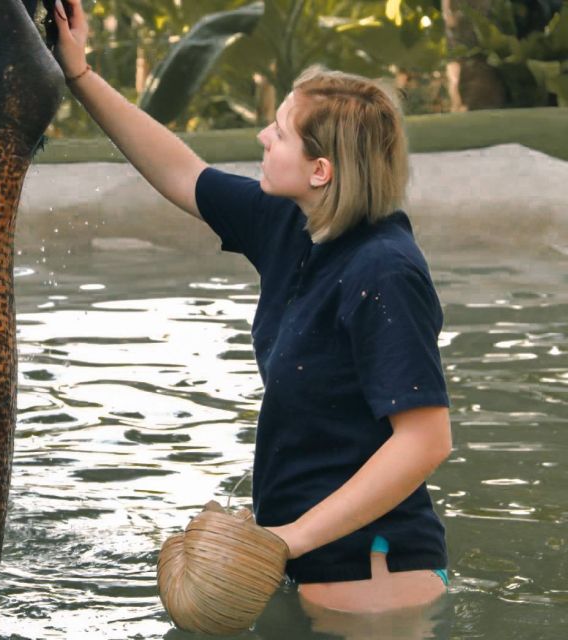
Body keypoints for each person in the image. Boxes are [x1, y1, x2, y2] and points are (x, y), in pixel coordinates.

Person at [52, 0, 453, 613]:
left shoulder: (385, 270)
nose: (263, 136)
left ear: (320, 169)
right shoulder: (292, 222)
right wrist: (80, 75)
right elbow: (179, 170)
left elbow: (425, 441)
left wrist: (286, 540)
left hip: (371, 580)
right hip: (295, 562)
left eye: (281, 131)